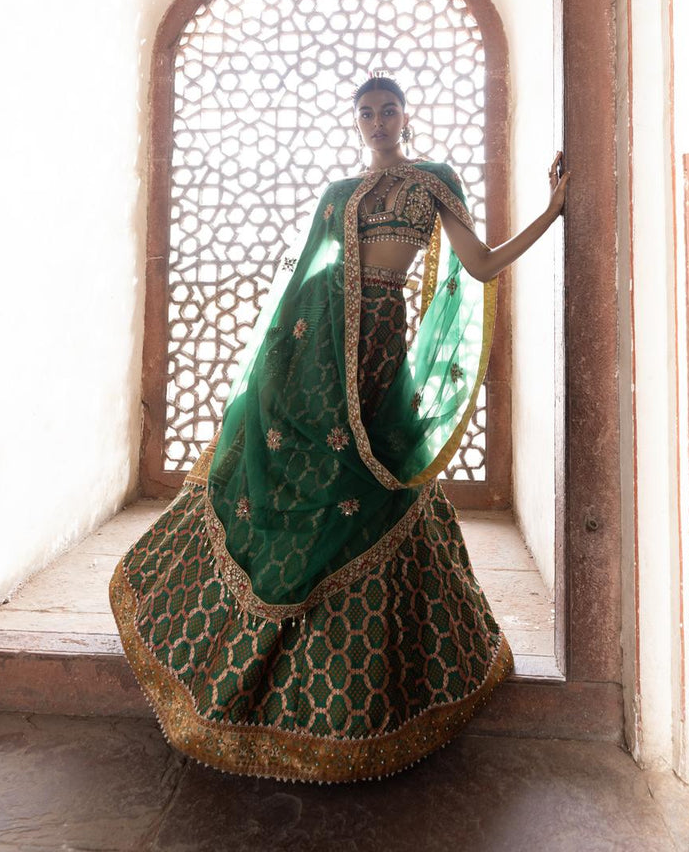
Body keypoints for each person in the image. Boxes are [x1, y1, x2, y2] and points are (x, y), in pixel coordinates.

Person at [109, 71, 569, 783]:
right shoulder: (337, 197)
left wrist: (552, 212)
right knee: (302, 480)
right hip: (319, 351)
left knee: (382, 480)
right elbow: (304, 284)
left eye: (389, 110)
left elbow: (478, 264)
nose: (379, 121)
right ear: (357, 123)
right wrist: (277, 369)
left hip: (382, 348)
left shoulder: (431, 182)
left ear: (406, 116)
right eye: (367, 113)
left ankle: (398, 671)